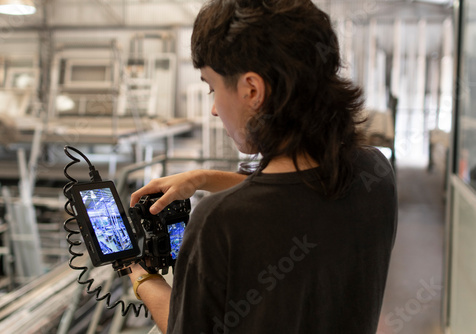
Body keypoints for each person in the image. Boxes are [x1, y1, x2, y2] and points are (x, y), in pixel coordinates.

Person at [128, 0, 397, 333]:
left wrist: (142, 277)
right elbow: (290, 197)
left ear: (252, 90)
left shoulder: (218, 223)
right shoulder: (376, 171)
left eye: (212, 88)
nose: (214, 109)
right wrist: (202, 178)